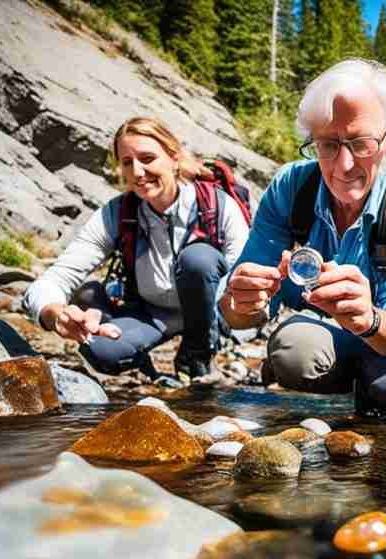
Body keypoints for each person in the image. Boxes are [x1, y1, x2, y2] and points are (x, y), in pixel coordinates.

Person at [218, 59, 386, 416]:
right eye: (328, 145)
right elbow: (237, 314)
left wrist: (367, 317)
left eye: (361, 144)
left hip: (379, 341)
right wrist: (240, 301)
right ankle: (304, 376)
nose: (344, 165)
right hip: (311, 337)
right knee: (292, 352)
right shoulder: (291, 188)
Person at [23, 117, 250, 385]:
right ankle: (146, 369)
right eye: (127, 163)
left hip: (211, 311)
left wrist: (222, 322)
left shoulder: (218, 206)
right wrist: (55, 313)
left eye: (147, 158)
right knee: (102, 350)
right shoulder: (117, 213)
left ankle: (198, 352)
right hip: (152, 313)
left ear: (174, 158)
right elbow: (55, 278)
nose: (138, 172)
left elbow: (243, 274)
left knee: (198, 259)